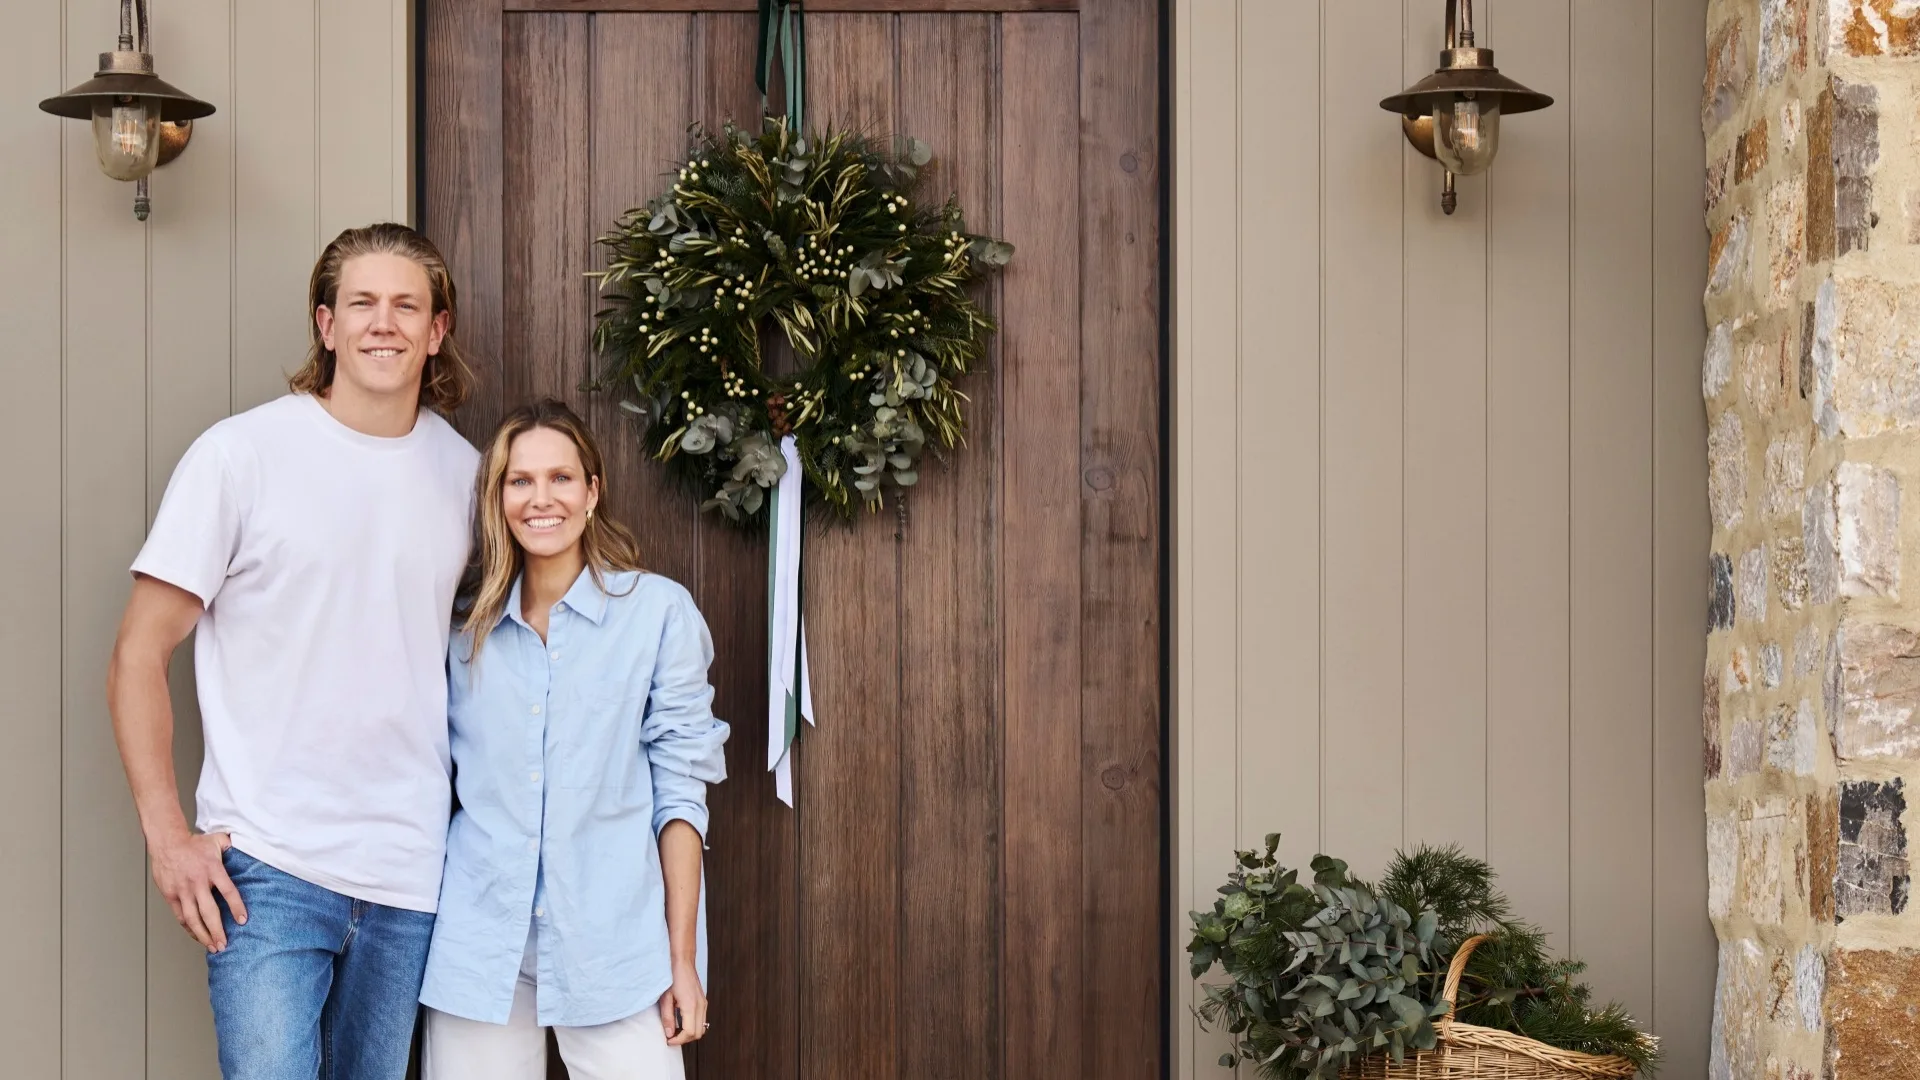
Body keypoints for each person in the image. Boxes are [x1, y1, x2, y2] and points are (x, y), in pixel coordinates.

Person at [106, 222, 480, 1079]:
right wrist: (170, 839)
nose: (383, 323)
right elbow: (138, 654)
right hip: (268, 868)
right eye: (361, 303)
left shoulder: (466, 477)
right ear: (326, 324)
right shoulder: (241, 456)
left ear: (437, 331)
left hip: (411, 874)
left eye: (406, 305)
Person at [418, 399, 728, 1080]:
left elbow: (680, 800)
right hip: (480, 949)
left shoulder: (656, 615)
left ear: (592, 491)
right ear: (498, 498)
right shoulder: (461, 633)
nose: (540, 499)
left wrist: (683, 964)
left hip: (616, 949)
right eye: (519, 481)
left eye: (560, 478)